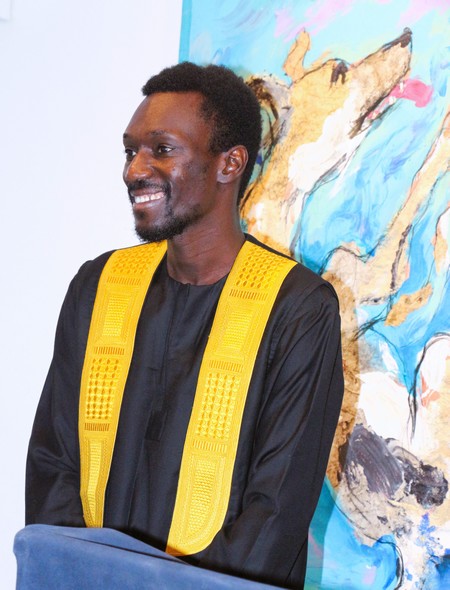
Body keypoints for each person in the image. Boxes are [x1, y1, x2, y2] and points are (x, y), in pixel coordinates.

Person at [26, 62, 344, 589]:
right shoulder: (99, 286)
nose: (135, 170)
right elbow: (53, 462)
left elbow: (275, 507)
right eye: (130, 151)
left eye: (162, 149)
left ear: (229, 164)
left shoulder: (296, 308)